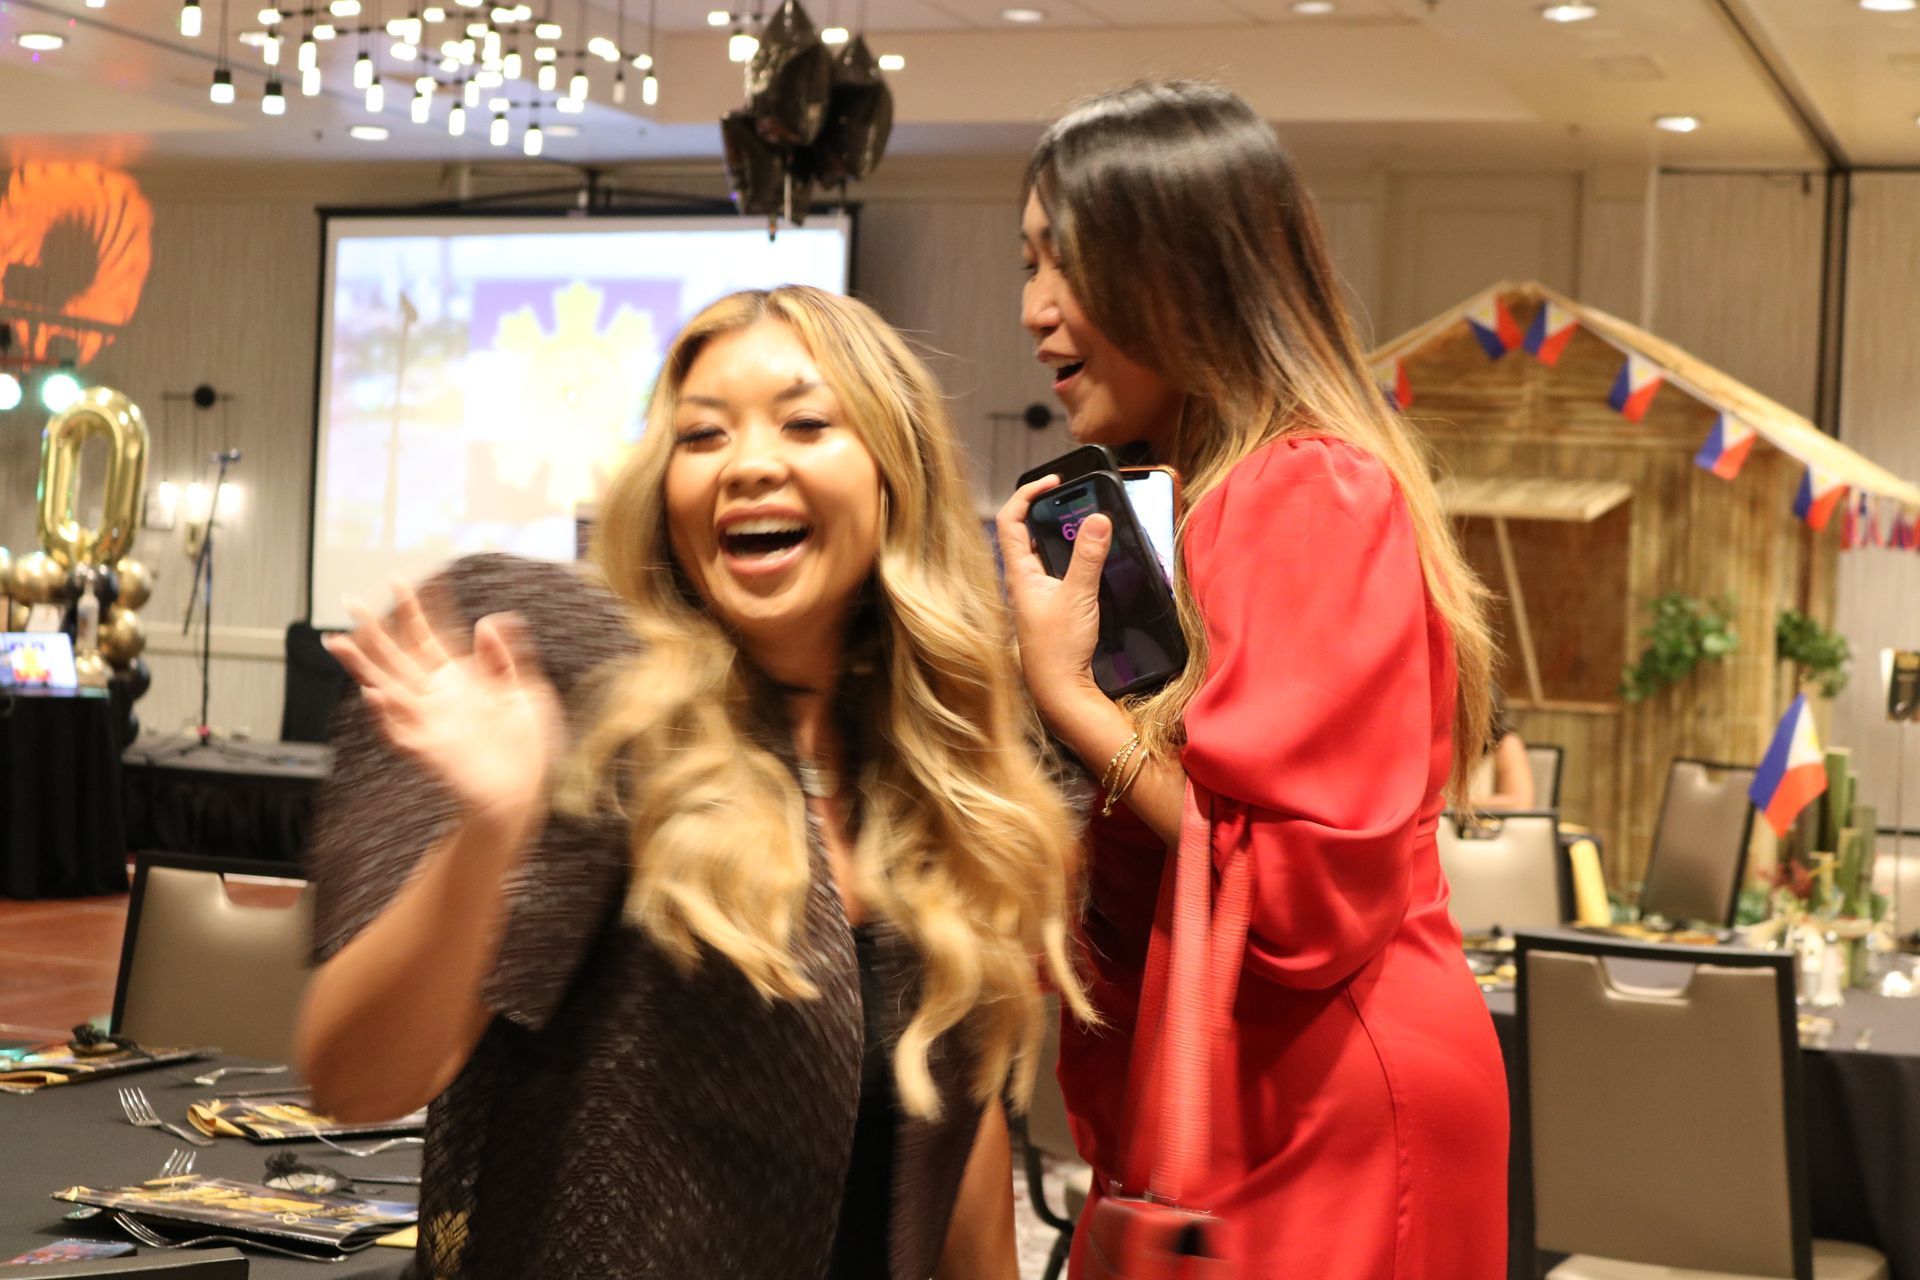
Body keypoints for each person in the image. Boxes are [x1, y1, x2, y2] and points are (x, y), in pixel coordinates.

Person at [295, 285, 1089, 1280]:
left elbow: (945, 1132)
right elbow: (356, 1075)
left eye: (806, 422)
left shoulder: (941, 778)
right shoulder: (598, 699)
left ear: (898, 473)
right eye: (701, 435)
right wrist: (490, 831)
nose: (749, 462)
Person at [997, 81, 1509, 1276]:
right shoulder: (1193, 501)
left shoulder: (1305, 489)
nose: (1033, 310)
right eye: (1026, 265)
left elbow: (1292, 899)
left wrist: (1074, 703)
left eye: (1063, 264)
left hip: (1332, 1088)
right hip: (1267, 1075)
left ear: (1180, 272)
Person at [1474, 684, 1538, 811]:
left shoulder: (1506, 743)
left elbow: (1521, 802)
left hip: (1484, 827)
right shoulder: (1436, 741)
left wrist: (1462, 805)